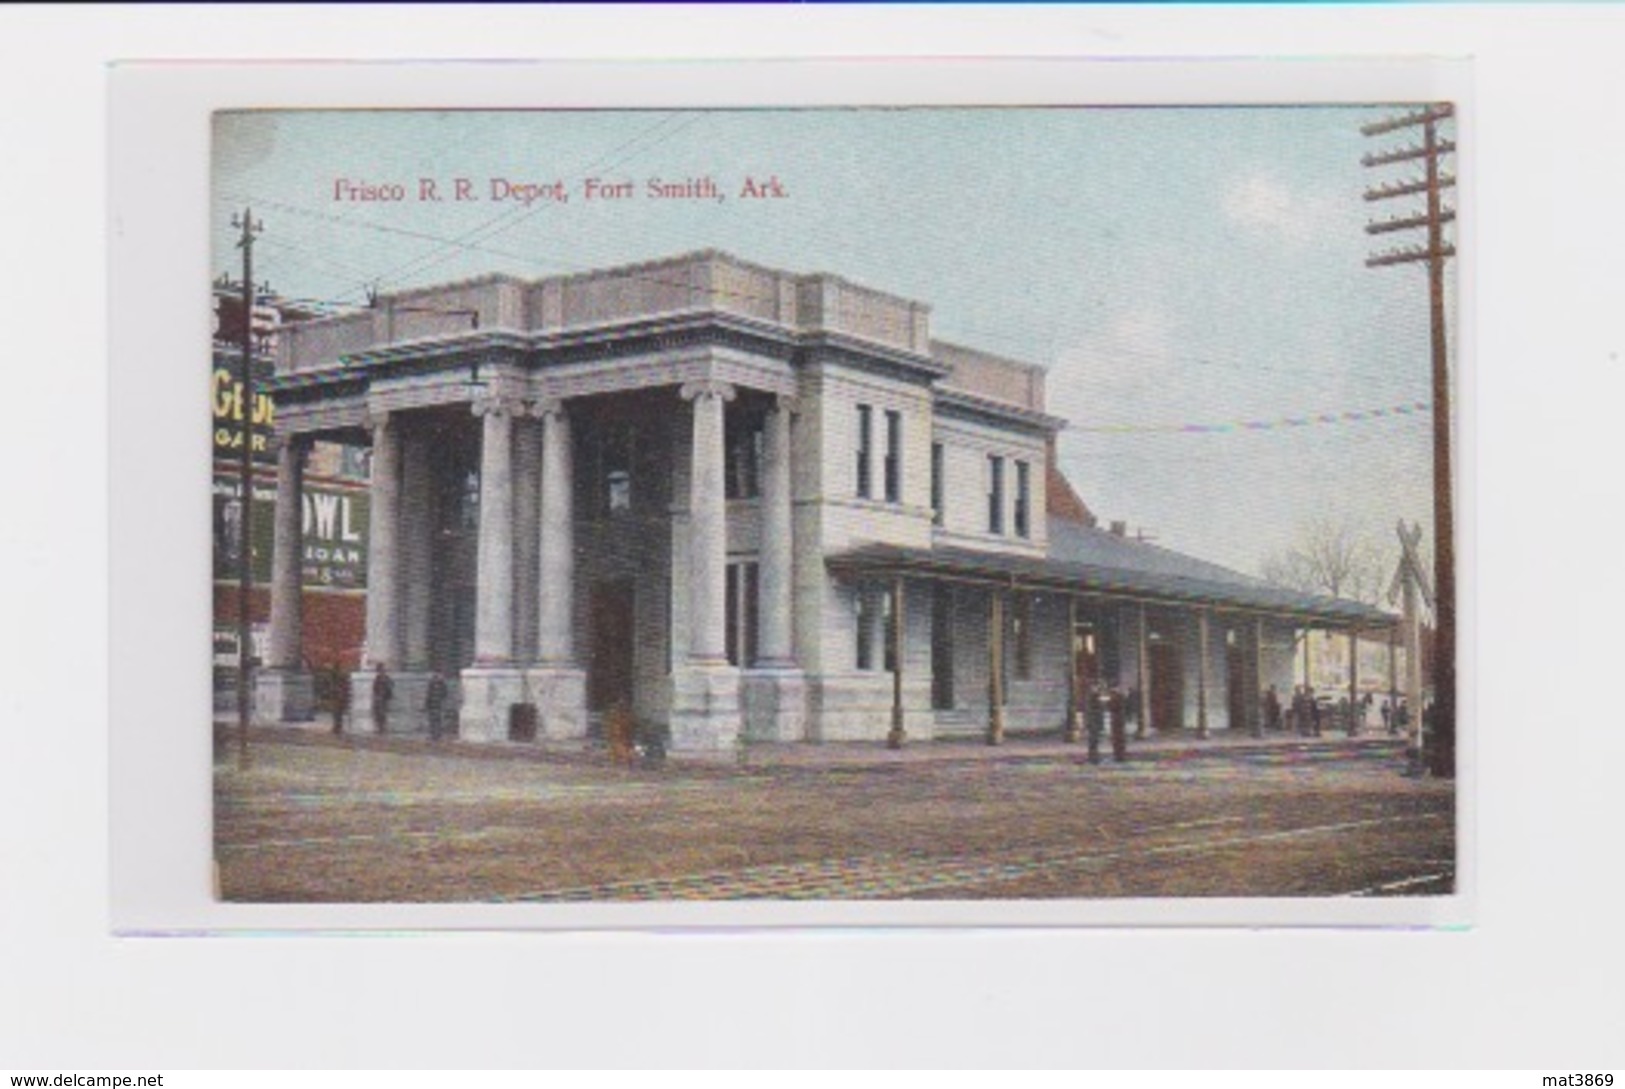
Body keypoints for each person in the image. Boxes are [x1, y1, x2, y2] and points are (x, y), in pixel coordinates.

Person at [1108, 686, 1128, 763]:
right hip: (1118, 721)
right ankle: (1120, 756)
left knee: (1117, 740)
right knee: (1119, 740)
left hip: (1116, 721)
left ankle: (1118, 756)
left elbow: (1111, 707)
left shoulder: (1115, 698)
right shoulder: (1120, 698)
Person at [426, 671, 448, 741]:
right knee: (436, 720)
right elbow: (444, 694)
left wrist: (427, 704)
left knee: (435, 720)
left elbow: (429, 695)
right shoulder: (440, 684)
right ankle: (436, 735)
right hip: (436, 704)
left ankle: (435, 735)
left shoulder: (432, 684)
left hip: (435, 704)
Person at [372, 665, 393, 735]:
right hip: (380, 698)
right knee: (379, 714)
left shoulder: (384, 678)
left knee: (381, 713)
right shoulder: (379, 678)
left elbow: (389, 688)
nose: (379, 672)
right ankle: (381, 728)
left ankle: (381, 728)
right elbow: (375, 689)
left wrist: (385, 695)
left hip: (382, 698)